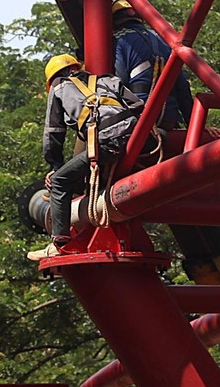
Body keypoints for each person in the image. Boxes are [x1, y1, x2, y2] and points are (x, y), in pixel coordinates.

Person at [27, 54, 145, 261]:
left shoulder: (58, 88)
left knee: (60, 181)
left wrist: (55, 166)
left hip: (108, 143)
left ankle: (60, 242)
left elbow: (53, 133)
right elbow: (137, 106)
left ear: (53, 78)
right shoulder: (106, 79)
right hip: (136, 139)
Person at [111, 0, 194, 130]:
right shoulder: (164, 39)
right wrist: (193, 124)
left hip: (139, 117)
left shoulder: (119, 39)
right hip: (169, 116)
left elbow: (118, 80)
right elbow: (182, 85)